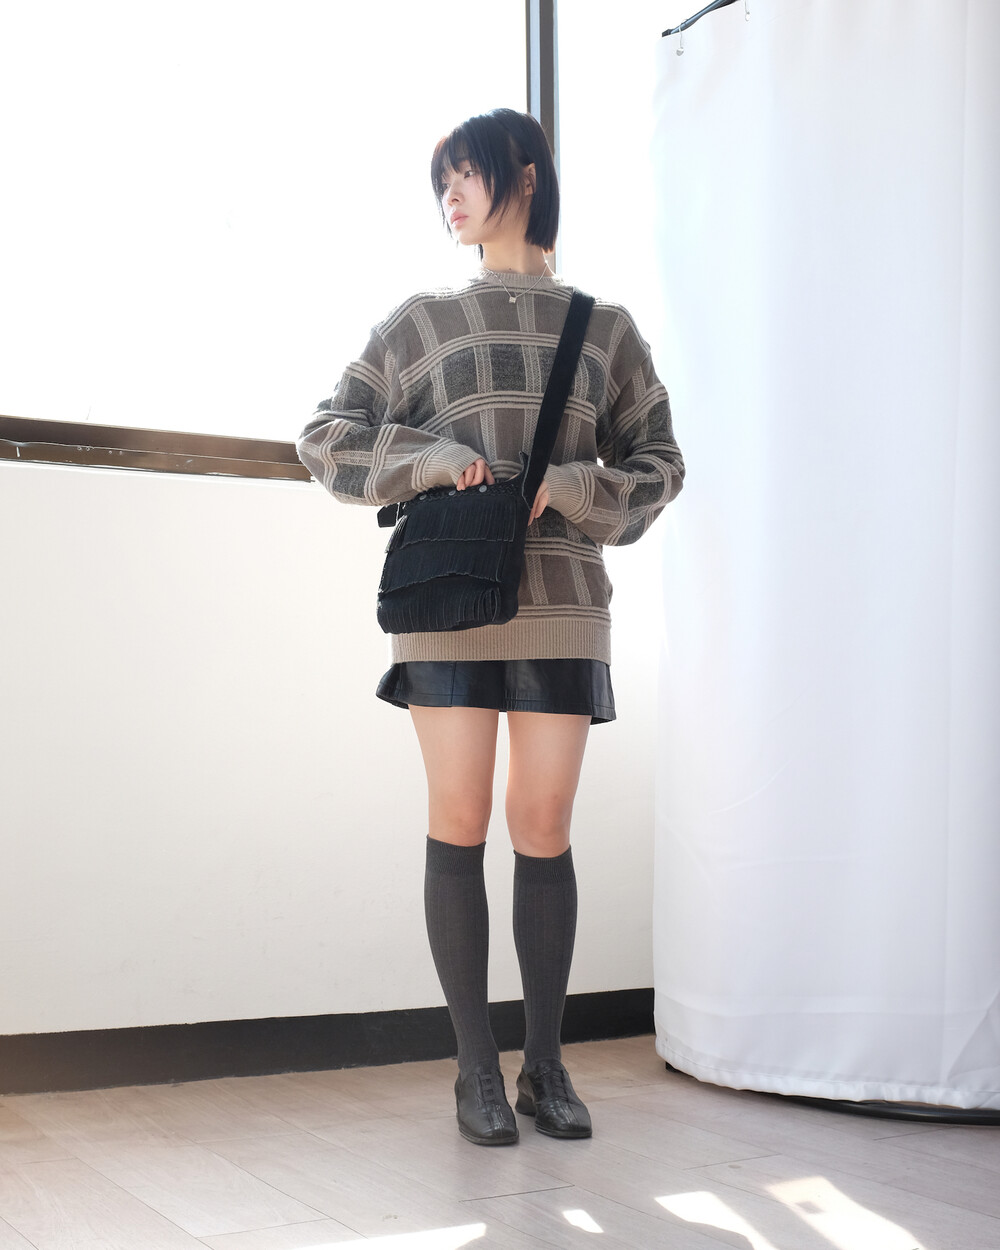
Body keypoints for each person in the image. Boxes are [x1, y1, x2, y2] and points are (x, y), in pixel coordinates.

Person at [296, 107, 684, 1146]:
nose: (451, 196)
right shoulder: (424, 321)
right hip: (450, 600)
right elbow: (327, 436)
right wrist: (430, 460)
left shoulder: (604, 329)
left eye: (465, 173)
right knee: (460, 815)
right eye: (441, 183)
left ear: (525, 174)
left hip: (563, 599)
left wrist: (572, 486)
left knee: (543, 824)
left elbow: (660, 463)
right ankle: (475, 1067)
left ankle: (545, 1066)